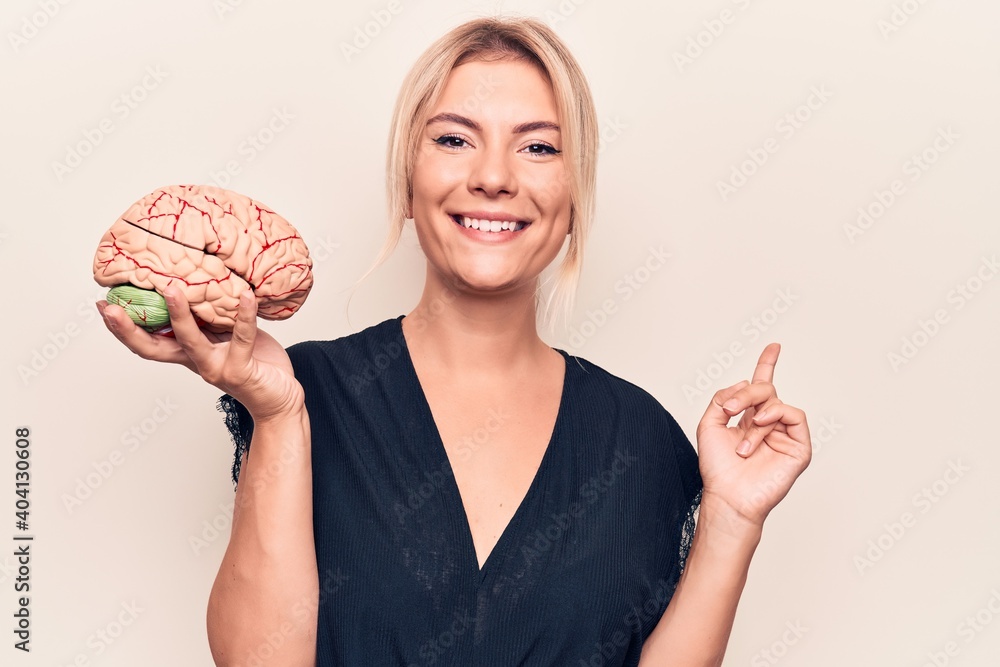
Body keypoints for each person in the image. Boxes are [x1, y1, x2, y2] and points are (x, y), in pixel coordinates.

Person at [96, 15, 811, 667]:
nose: (494, 177)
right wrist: (279, 416)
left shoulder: (641, 440)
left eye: (537, 146)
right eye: (453, 139)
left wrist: (732, 519)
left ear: (573, 196)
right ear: (408, 181)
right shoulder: (304, 394)